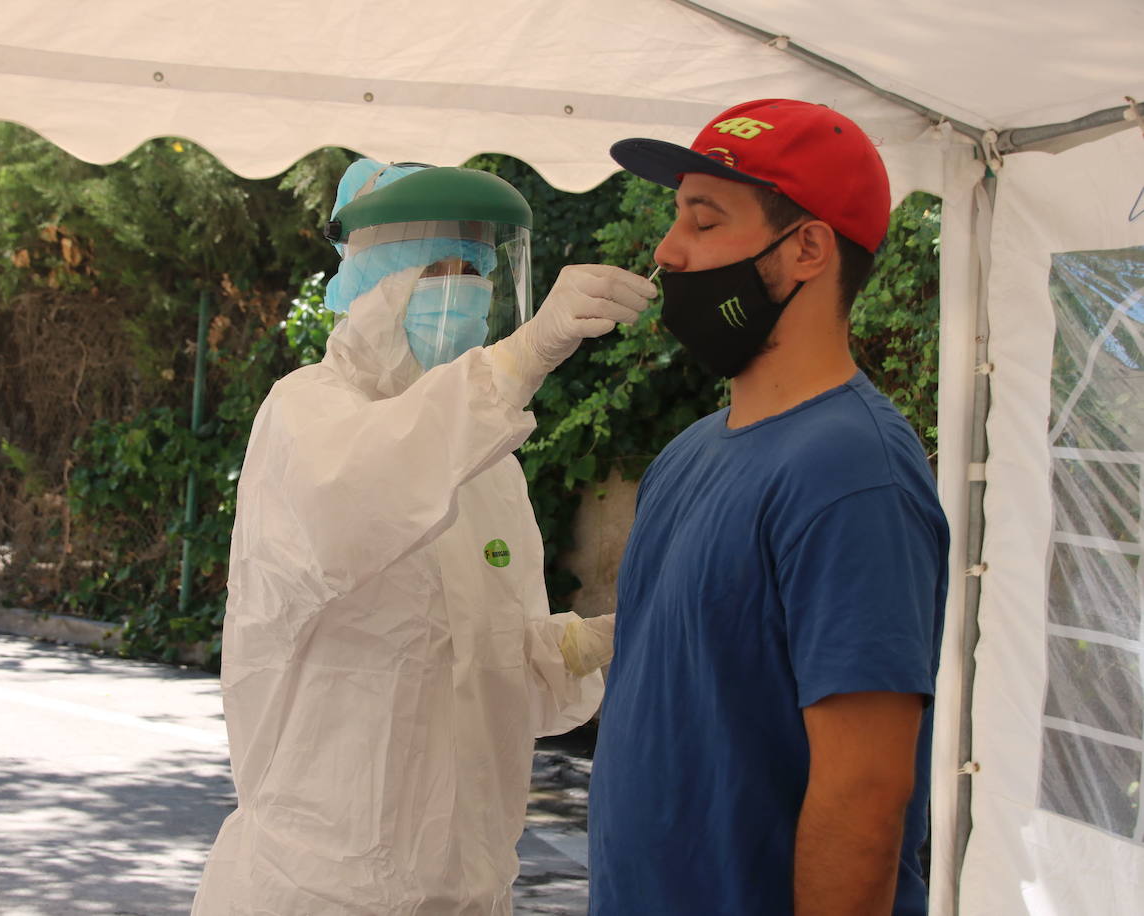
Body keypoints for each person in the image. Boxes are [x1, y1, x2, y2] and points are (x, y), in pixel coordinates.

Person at [192, 159, 654, 915]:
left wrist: (576, 646)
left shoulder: (484, 463)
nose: (463, 292)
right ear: (376, 285)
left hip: (468, 885)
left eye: (473, 271)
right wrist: (526, 354)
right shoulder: (306, 415)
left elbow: (475, 664)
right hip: (325, 887)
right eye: (436, 270)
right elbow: (362, 498)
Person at [588, 100, 950, 915]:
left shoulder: (854, 473)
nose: (667, 250)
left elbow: (864, 793)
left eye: (704, 221)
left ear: (807, 249)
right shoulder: (689, 455)